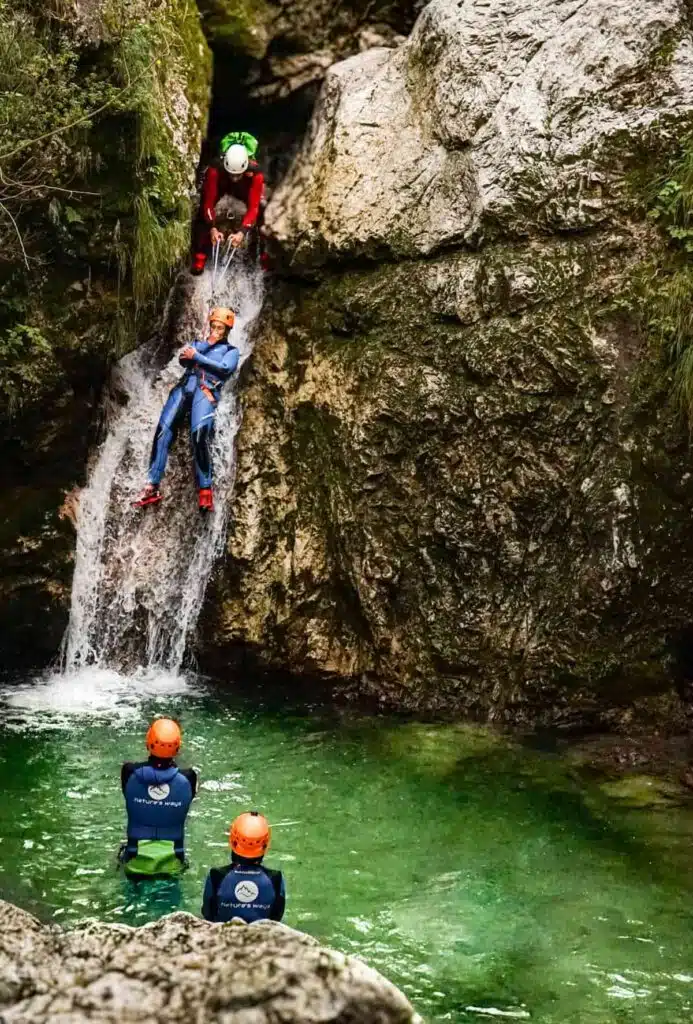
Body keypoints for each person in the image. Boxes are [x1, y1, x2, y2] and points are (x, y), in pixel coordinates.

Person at [133, 307, 239, 513]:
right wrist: (195, 353)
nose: (216, 331)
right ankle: (151, 486)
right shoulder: (198, 344)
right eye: (214, 326)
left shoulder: (230, 351)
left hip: (206, 391)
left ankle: (205, 490)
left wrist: (197, 356)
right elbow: (183, 360)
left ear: (227, 331)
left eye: (221, 328)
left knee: (199, 435)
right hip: (184, 388)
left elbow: (225, 369)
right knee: (163, 431)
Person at [119, 718, 197, 879]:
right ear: (177, 747)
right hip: (173, 862)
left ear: (148, 742)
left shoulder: (129, 772)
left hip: (134, 860)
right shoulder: (188, 778)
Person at [191, 131, 267, 275]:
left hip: (244, 189)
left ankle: (263, 255)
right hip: (221, 185)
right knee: (201, 208)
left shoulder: (256, 174)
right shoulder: (215, 170)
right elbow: (209, 203)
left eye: (237, 174)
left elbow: (253, 207)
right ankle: (200, 255)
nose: (234, 177)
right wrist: (212, 228)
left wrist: (242, 232)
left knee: (263, 210)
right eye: (232, 173)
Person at [201, 811, 286, 923]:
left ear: (233, 841)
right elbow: (276, 919)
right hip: (261, 938)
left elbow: (208, 914)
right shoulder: (276, 879)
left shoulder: (216, 876)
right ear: (265, 845)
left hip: (223, 937)